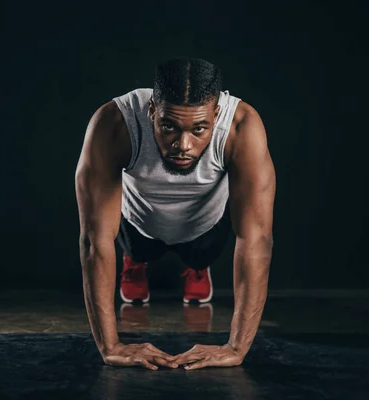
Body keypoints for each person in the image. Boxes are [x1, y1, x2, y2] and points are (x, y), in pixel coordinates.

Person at [75, 57, 275, 370]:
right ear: (152, 110)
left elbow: (256, 239)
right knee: (138, 247)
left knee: (201, 254)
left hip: (204, 226)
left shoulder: (241, 126)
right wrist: (110, 346)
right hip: (139, 224)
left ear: (217, 115)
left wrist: (236, 348)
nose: (183, 144)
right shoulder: (115, 122)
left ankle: (197, 267)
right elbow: (94, 239)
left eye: (199, 129)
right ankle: (135, 261)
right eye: (169, 126)